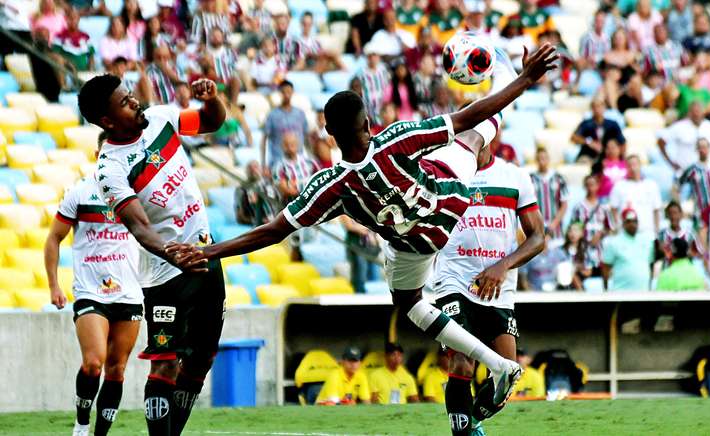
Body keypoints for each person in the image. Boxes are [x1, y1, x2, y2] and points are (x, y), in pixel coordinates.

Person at [167, 45, 561, 409]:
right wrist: (525, 80)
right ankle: (509, 70)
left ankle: (496, 364)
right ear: (368, 122)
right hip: (448, 204)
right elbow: (466, 116)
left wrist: (207, 251)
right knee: (474, 135)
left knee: (410, 305)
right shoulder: (394, 140)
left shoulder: (329, 186)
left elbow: (270, 232)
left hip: (412, 246)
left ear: (327, 131)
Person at [78, 74, 227, 436]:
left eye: (131, 95)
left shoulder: (161, 118)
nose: (135, 102)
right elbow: (139, 226)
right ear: (107, 121)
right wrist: (173, 254)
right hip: (165, 276)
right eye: (125, 102)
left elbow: (211, 122)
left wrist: (211, 100)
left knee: (201, 361)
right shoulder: (110, 169)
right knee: (164, 366)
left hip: (206, 256)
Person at [430, 139, 543, 434]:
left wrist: (503, 266)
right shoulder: (444, 174)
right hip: (455, 280)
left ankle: (472, 422)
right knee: (461, 363)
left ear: (489, 135)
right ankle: (463, 432)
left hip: (499, 288)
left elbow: (537, 238)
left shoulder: (514, 176)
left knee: (507, 373)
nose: (466, 143)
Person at [44, 139, 143, 436]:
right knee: (93, 362)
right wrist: (54, 286)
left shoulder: (137, 195)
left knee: (117, 369)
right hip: (91, 292)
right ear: (97, 154)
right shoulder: (80, 191)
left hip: (130, 293)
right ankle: (81, 424)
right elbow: (53, 239)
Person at [657, 101, 710, 172]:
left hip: (707, 172)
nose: (696, 114)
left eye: (698, 111)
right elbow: (661, 141)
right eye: (693, 111)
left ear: (703, 112)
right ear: (689, 113)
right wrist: (671, 163)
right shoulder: (679, 126)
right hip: (685, 173)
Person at [571, 175, 616, 277]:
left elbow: (611, 229)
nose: (590, 187)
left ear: (598, 186)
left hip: (601, 250)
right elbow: (573, 227)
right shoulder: (578, 207)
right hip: (583, 250)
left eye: (593, 185)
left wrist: (600, 234)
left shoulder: (604, 207)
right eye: (588, 185)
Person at [609, 155, 662, 240]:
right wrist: (618, 227)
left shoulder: (651, 185)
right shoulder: (619, 186)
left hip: (647, 232)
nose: (633, 168)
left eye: (635, 164)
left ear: (640, 165)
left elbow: (656, 210)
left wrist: (657, 231)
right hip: (626, 233)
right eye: (629, 166)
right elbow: (613, 208)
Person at [602, 208, 654, 291]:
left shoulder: (647, 242)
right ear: (623, 224)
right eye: (629, 221)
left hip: (643, 293)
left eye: (635, 221)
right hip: (621, 293)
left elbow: (651, 265)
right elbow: (605, 268)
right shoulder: (614, 242)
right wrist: (605, 289)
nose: (632, 224)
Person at [261, 80, 308, 170]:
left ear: (293, 93)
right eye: (283, 92)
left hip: (298, 162)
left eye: (289, 92)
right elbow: (264, 140)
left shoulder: (300, 113)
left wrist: (310, 156)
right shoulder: (272, 115)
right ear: (279, 93)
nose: (286, 95)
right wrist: (264, 165)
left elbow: (306, 137)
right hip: (278, 162)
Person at [678, 138, 710, 222]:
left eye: (705, 147)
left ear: (709, 148)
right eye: (700, 147)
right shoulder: (692, 169)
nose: (703, 150)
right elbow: (677, 185)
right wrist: (681, 204)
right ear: (697, 150)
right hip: (700, 213)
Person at [571, 98, 626, 163]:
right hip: (589, 155)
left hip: (608, 156)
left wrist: (620, 157)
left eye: (599, 106)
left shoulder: (612, 124)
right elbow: (574, 137)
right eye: (594, 107)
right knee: (583, 162)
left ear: (604, 107)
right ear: (592, 109)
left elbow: (622, 142)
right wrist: (589, 142)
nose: (597, 109)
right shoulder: (586, 124)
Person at [530, 148, 568, 238]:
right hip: (537, 228)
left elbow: (564, 205)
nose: (541, 161)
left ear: (548, 159)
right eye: (539, 159)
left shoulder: (559, 178)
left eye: (544, 158)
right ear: (536, 160)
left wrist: (554, 224)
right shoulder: (530, 179)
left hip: (556, 229)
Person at [341, 215, 381, 294]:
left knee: (374, 274)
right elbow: (350, 226)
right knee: (359, 275)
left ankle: (373, 297)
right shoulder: (346, 211)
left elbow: (376, 225)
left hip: (371, 247)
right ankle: (359, 296)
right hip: (355, 246)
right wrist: (367, 228)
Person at [236, 160, 280, 227]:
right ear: (246, 172)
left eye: (256, 167)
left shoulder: (269, 185)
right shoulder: (241, 190)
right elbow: (240, 217)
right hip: (259, 224)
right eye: (250, 168)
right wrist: (260, 221)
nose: (253, 170)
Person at [356, 43, 391, 124]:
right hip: (368, 110)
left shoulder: (383, 70)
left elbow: (388, 87)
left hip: (383, 109)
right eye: (370, 56)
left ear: (378, 56)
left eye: (374, 55)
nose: (372, 58)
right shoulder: (360, 73)